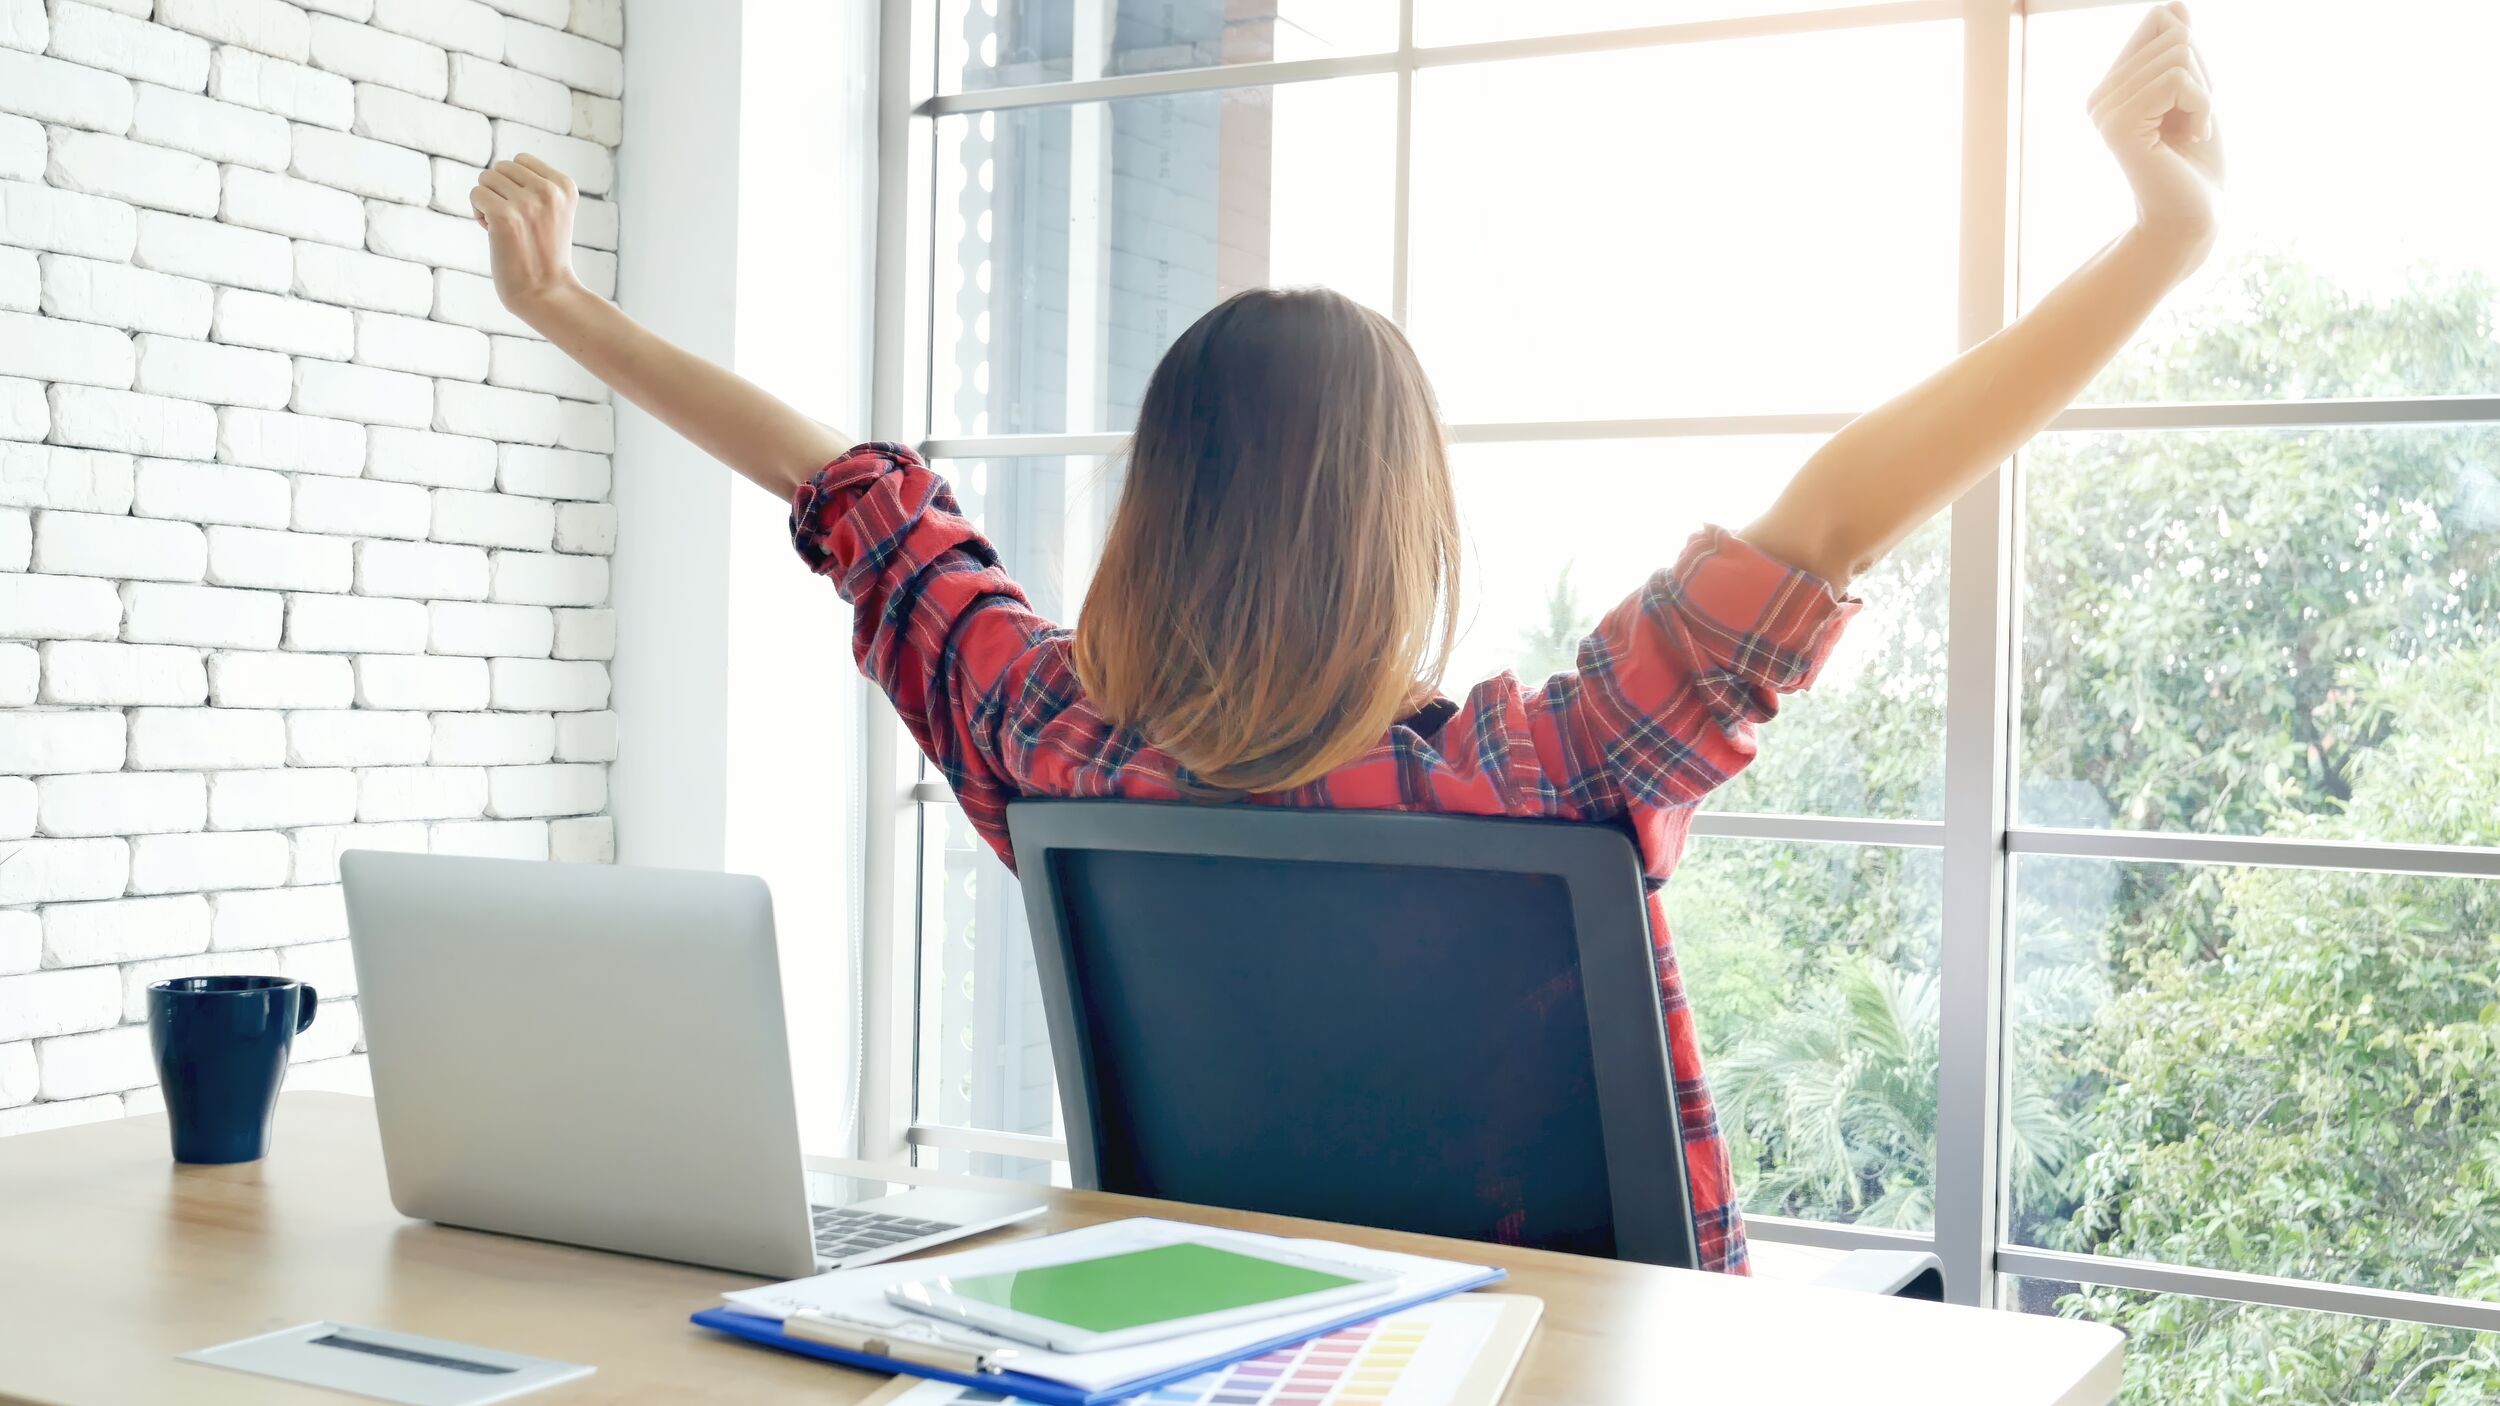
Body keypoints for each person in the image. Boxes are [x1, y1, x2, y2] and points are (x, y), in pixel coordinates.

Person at [469, 3, 2222, 1275]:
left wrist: (566, 307)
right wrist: (2165, 237)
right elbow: (1839, 506)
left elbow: (845, 485)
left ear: (1158, 506)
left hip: (1245, 1354)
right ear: (1409, 528)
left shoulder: (1053, 744)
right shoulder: (1550, 770)